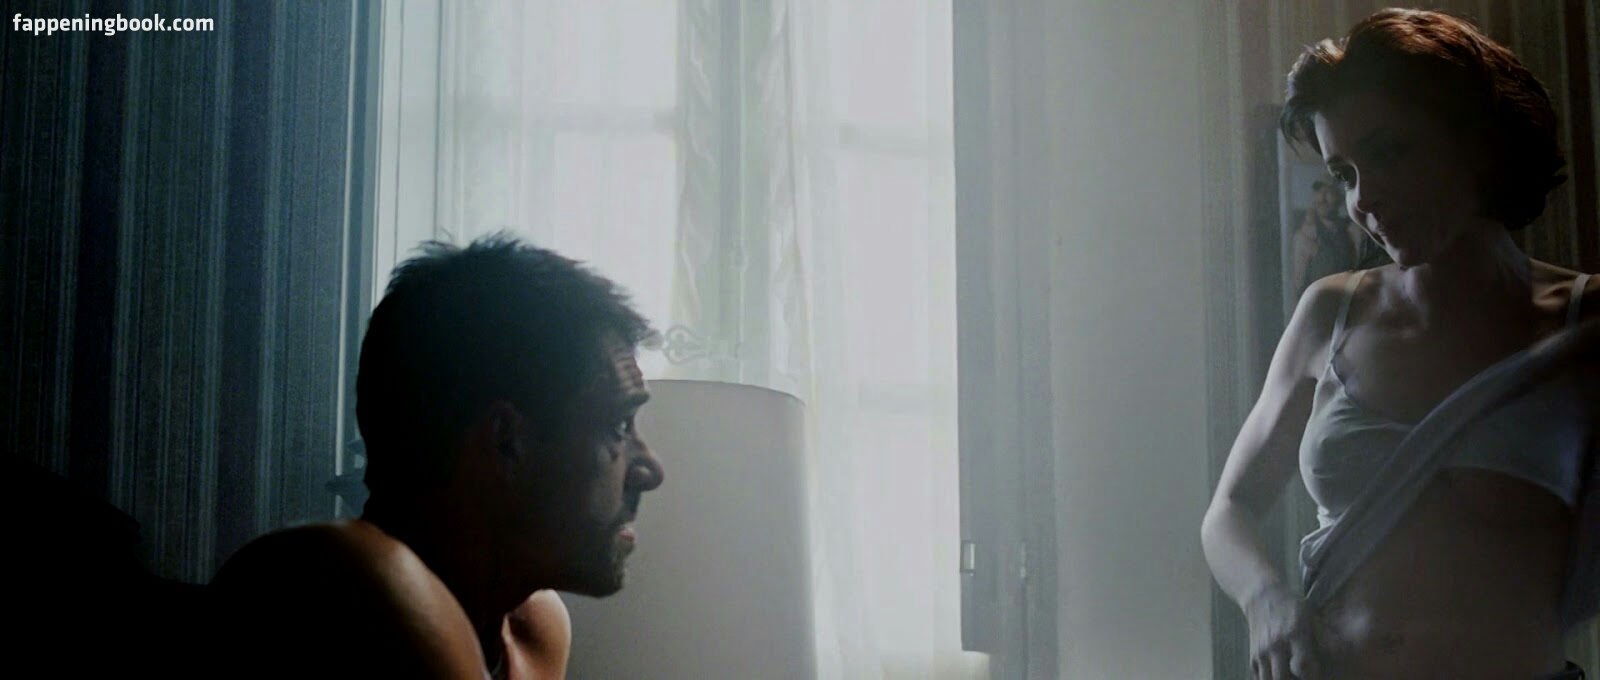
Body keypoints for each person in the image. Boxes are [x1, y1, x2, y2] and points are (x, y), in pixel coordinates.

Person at [1200, 8, 1597, 679]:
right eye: (1345, 173)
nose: (1365, 198)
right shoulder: (1331, 313)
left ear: (1475, 140)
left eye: (1391, 152)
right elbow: (1229, 510)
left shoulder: (1583, 326)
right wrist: (1265, 600)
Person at [209, 236, 665, 679]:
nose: (650, 471)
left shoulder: (532, 628)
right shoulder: (344, 581)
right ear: (507, 442)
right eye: (619, 426)